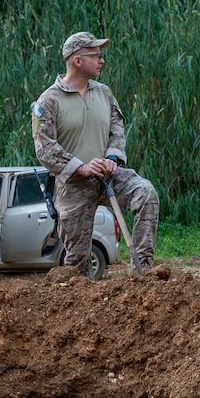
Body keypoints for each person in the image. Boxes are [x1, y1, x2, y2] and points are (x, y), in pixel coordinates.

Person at [31, 31, 161, 278]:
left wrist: (112, 157)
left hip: (108, 175)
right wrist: (81, 167)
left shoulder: (104, 92)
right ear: (77, 60)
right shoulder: (48, 101)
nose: (102, 61)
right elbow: (45, 148)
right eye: (96, 56)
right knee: (78, 264)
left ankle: (144, 273)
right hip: (73, 185)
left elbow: (117, 127)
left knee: (146, 193)